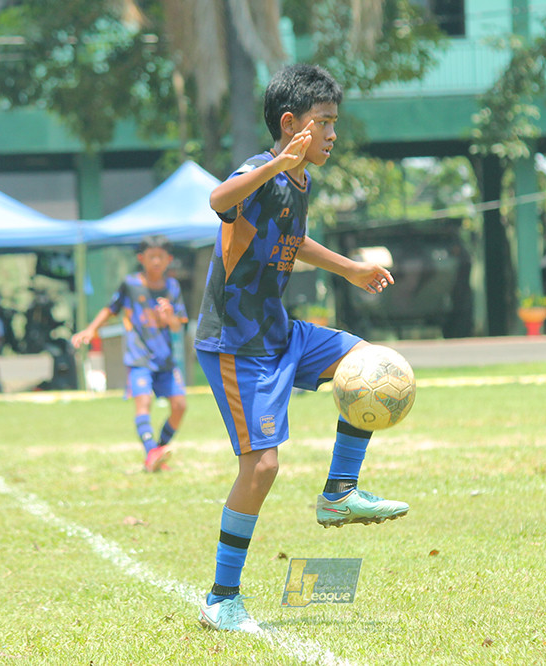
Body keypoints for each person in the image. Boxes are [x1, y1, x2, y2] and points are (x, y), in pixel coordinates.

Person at [194, 63, 408, 634]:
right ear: (291, 124)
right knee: (262, 466)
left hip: (277, 331)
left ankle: (339, 492)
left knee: (367, 362)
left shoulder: (298, 181)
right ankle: (221, 599)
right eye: (325, 122)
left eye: (335, 122)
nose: (333, 134)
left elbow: (290, 240)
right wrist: (276, 164)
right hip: (235, 344)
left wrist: (349, 269)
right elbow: (218, 198)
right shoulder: (261, 171)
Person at [72, 236, 187, 473]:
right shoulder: (131, 284)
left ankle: (158, 450)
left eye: (161, 257)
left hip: (164, 358)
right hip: (139, 357)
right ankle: (151, 452)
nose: (156, 261)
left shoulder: (173, 287)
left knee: (180, 406)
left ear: (169, 260)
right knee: (143, 402)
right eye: (151, 256)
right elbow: (110, 309)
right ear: (141, 259)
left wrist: (169, 317)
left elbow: (178, 325)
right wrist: (91, 330)